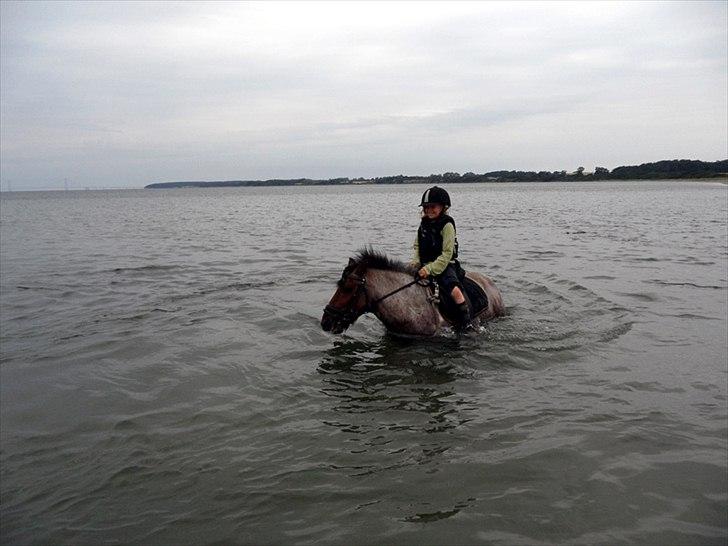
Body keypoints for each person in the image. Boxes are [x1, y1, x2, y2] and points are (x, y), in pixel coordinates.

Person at [412, 186, 470, 330]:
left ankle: (467, 325)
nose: (429, 210)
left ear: (443, 207)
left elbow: (447, 253)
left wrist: (430, 269)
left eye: (433, 206)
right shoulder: (423, 224)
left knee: (455, 291)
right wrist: (415, 263)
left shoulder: (447, 225)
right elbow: (417, 246)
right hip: (424, 265)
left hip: (444, 266)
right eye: (426, 207)